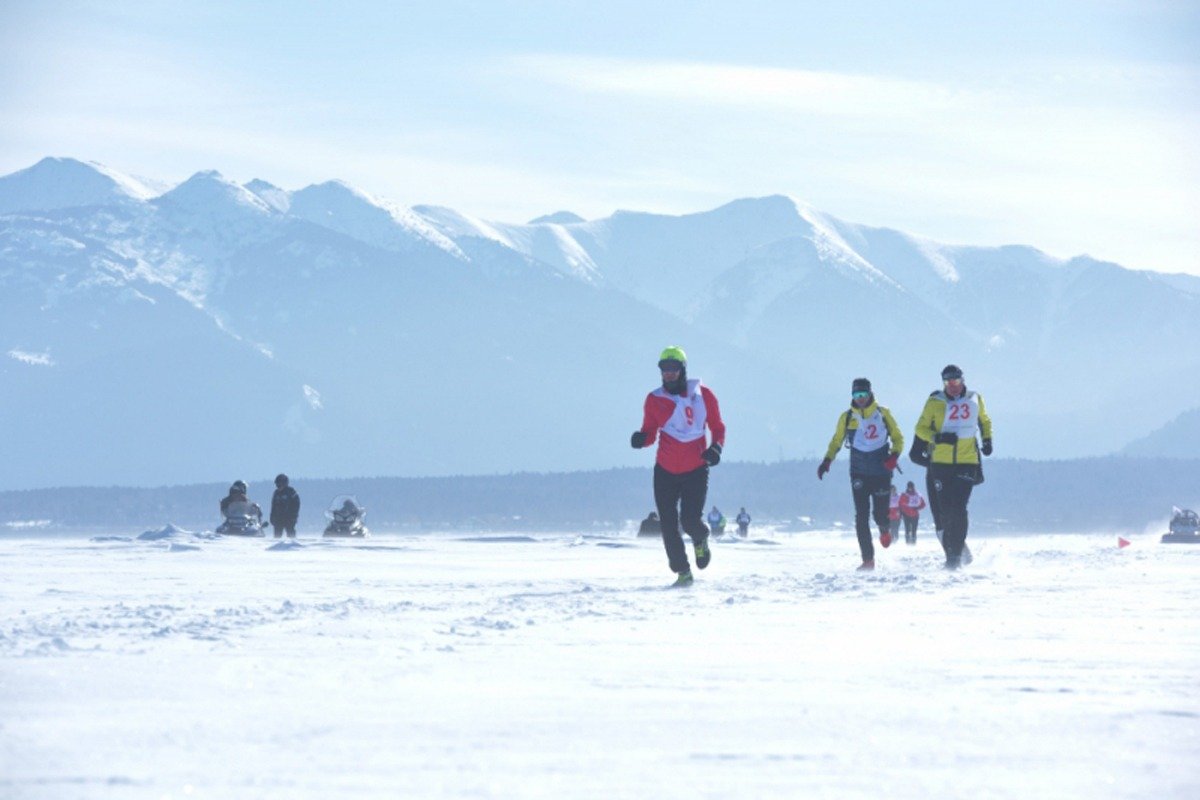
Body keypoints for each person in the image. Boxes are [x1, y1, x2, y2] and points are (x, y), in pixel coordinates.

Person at [631, 346, 726, 587]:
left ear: (683, 370)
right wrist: (641, 439)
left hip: (695, 469)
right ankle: (682, 571)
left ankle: (701, 538)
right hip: (664, 471)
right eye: (664, 369)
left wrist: (716, 448)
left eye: (673, 369)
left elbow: (718, 427)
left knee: (690, 520)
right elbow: (650, 432)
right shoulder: (654, 399)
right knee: (668, 525)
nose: (668, 373)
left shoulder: (704, 395)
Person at [817, 378, 904, 570]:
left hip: (881, 471)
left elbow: (898, 438)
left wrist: (895, 456)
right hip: (858, 472)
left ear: (870, 394)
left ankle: (884, 527)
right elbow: (836, 441)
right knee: (861, 516)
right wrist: (827, 461)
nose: (860, 399)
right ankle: (868, 560)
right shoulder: (847, 417)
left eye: (863, 395)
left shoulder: (882, 413)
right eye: (856, 395)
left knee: (880, 515)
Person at [913, 364, 993, 569]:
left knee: (959, 508)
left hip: (967, 461)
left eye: (956, 381)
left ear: (962, 380)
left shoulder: (975, 398)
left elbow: (984, 420)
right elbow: (920, 429)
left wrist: (987, 440)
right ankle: (955, 552)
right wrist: (936, 437)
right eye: (948, 383)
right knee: (945, 512)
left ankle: (954, 557)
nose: (953, 386)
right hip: (940, 464)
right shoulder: (934, 403)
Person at [269, 473, 301, 538]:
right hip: (278, 518)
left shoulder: (291, 492)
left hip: (289, 518)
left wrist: (293, 516)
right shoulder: (276, 493)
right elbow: (273, 506)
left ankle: (293, 547)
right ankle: (276, 547)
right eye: (277, 484)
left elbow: (296, 505)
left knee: (291, 535)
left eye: (280, 484)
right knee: (277, 536)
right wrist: (272, 516)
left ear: (285, 483)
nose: (278, 486)